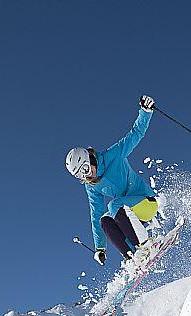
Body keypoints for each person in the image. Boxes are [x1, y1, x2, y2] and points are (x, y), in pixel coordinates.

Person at [66, 95, 159, 267]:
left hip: (147, 203)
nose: (87, 175)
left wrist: (145, 112)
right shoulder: (92, 186)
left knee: (114, 205)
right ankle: (133, 257)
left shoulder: (113, 156)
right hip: (130, 216)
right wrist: (100, 248)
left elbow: (135, 134)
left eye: (85, 169)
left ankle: (145, 246)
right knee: (105, 220)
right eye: (81, 175)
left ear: (90, 159)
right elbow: (96, 215)